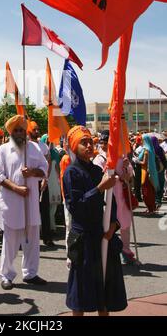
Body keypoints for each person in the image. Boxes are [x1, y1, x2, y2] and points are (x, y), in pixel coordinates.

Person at [63, 125, 127, 316]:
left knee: (104, 290)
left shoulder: (98, 170)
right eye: (84, 142)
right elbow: (75, 207)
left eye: (91, 141)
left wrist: (113, 224)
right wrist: (98, 188)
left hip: (102, 235)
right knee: (80, 295)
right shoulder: (71, 173)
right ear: (75, 146)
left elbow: (111, 201)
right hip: (83, 238)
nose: (89, 145)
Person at [0, 115, 49, 290]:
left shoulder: (33, 148)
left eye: (22, 130)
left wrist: (32, 172)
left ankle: (30, 273)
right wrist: (17, 188)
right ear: (11, 132)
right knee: (10, 241)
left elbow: (44, 169)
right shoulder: (3, 150)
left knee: (32, 239)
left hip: (30, 203)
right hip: (11, 203)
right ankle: (6, 275)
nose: (19, 133)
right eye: (16, 130)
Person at [93, 131, 137, 265]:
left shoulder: (121, 157)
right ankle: (106, 251)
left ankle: (125, 250)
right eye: (102, 142)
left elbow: (129, 177)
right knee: (108, 224)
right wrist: (114, 177)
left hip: (122, 196)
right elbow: (98, 178)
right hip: (107, 196)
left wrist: (125, 169)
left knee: (125, 224)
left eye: (106, 142)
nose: (104, 145)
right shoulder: (99, 159)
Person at [27, 121, 55, 248]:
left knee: (44, 210)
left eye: (38, 129)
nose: (37, 132)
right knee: (28, 210)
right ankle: (28, 238)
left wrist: (45, 179)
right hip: (29, 183)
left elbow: (47, 163)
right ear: (28, 131)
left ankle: (47, 238)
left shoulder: (44, 146)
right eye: (34, 129)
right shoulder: (25, 146)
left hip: (42, 183)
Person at [40, 135, 61, 234]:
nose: (49, 143)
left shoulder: (55, 153)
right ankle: (46, 227)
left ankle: (51, 226)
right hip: (46, 181)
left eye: (50, 142)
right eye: (47, 142)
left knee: (52, 206)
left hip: (52, 180)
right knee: (44, 206)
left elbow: (57, 168)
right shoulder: (41, 153)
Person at [138, 134, 160, 214]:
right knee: (151, 191)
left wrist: (136, 161)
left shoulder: (146, 150)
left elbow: (144, 162)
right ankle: (151, 208)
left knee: (146, 192)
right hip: (150, 173)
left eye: (142, 140)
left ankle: (150, 209)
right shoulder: (151, 149)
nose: (141, 141)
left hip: (146, 173)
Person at [151, 136, 167, 209]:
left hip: (154, 169)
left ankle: (156, 199)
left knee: (155, 183)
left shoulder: (151, 149)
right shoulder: (160, 148)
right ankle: (159, 199)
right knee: (161, 182)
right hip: (161, 167)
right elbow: (164, 157)